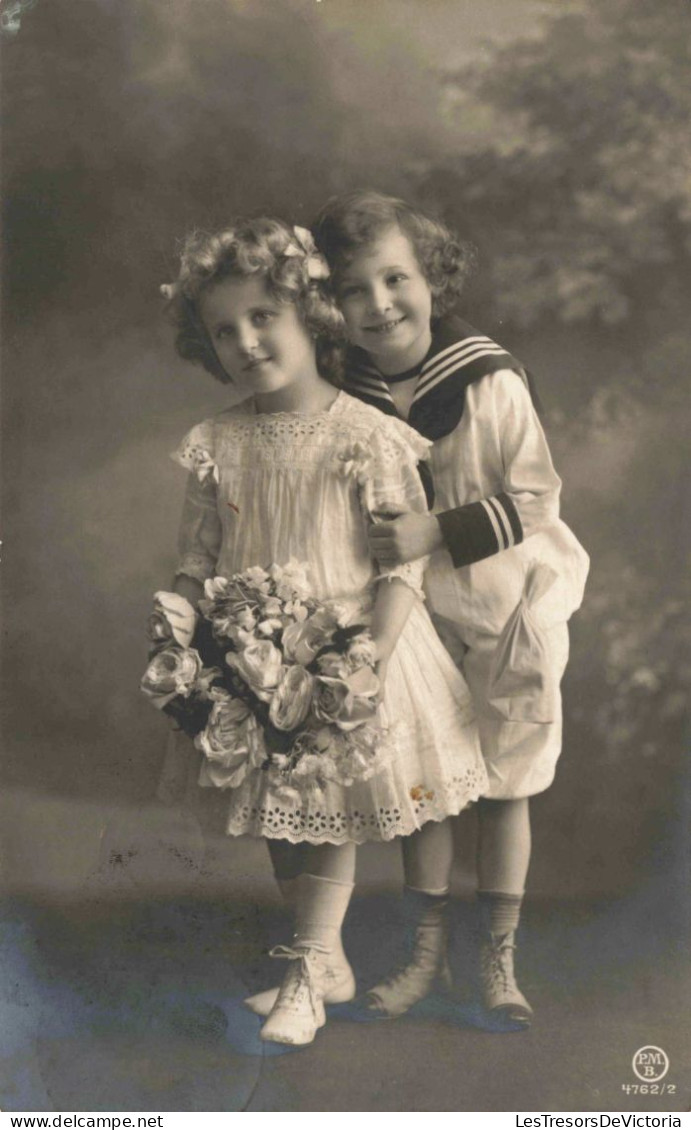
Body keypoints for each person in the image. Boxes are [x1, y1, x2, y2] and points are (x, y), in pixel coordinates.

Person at [158, 217, 488, 1046]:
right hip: (251, 654)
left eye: (263, 317)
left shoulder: (366, 437)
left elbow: (402, 564)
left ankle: (307, 969)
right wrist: (181, 615)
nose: (245, 341)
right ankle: (326, 957)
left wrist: (369, 651)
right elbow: (198, 558)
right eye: (223, 330)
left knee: (326, 806)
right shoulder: (219, 443)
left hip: (348, 653)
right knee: (276, 816)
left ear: (310, 314)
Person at [314, 190, 589, 1025]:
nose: (379, 304)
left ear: (430, 276)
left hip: (505, 600)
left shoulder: (487, 378)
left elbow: (536, 497)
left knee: (507, 784)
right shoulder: (347, 387)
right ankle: (423, 956)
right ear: (331, 304)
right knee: (423, 781)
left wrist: (438, 528)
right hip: (410, 610)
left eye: (394, 279)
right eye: (353, 290)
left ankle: (496, 965)